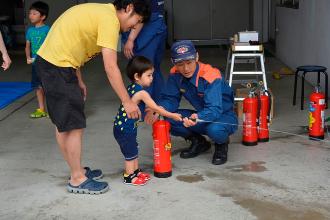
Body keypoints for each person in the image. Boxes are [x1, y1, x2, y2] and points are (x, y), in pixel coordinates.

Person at [35, 0, 151, 194]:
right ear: (128, 8)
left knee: (66, 123)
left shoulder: (101, 12)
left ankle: (77, 170)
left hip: (59, 65)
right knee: (72, 125)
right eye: (136, 21)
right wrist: (127, 101)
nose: (133, 27)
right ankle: (77, 179)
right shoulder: (110, 20)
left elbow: (73, 42)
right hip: (58, 67)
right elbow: (110, 66)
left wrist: (78, 77)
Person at [145, 40, 238, 165]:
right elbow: (170, 99)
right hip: (200, 116)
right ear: (173, 62)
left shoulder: (211, 76)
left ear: (197, 57)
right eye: (180, 64)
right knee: (166, 118)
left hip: (224, 117)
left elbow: (215, 109)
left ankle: (221, 144)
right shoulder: (175, 74)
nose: (186, 68)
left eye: (189, 62)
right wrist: (159, 109)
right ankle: (199, 142)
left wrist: (198, 117)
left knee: (214, 129)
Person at [113, 56, 181, 186]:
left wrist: (151, 109)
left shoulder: (131, 88)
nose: (152, 78)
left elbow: (149, 106)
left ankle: (136, 172)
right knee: (130, 152)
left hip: (126, 127)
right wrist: (172, 115)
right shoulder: (142, 93)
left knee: (134, 149)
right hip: (124, 129)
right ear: (137, 76)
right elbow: (155, 107)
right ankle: (129, 176)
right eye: (149, 75)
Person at [122, 0, 167, 103]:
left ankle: (145, 108)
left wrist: (130, 39)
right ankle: (159, 104)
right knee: (153, 69)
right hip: (157, 25)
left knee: (143, 70)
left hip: (145, 30)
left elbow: (140, 13)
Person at [25, 1, 50, 118]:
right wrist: (28, 57)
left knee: (49, 86)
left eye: (35, 13)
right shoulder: (30, 31)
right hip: (35, 63)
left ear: (43, 16)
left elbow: (51, 45)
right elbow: (27, 46)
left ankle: (54, 110)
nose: (31, 15)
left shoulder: (47, 29)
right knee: (38, 86)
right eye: (30, 13)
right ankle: (41, 109)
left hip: (46, 62)